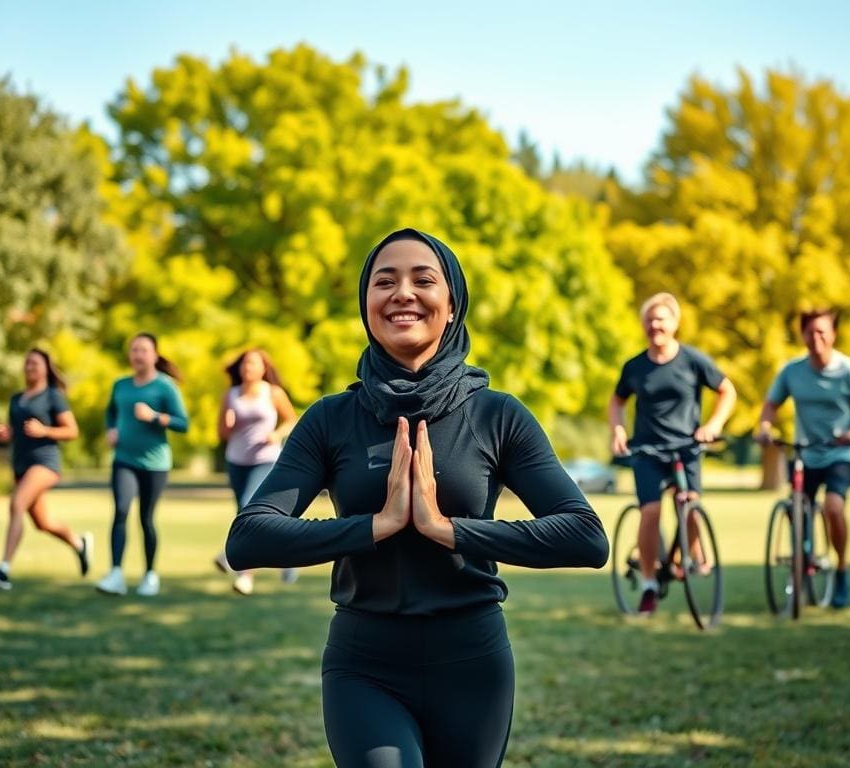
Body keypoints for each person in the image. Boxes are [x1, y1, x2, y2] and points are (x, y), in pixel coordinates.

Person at [224, 228, 608, 768]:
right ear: (367, 305)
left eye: (423, 280)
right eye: (385, 281)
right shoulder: (331, 419)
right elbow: (247, 538)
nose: (402, 292)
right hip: (364, 665)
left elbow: (586, 536)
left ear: (452, 305)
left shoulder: (497, 415)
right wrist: (374, 526)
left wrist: (446, 528)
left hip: (473, 662)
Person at [607, 292, 736, 616]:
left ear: (675, 324)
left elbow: (727, 390)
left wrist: (714, 424)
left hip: (687, 448)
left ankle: (687, 555)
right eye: (649, 320)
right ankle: (649, 582)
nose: (655, 325)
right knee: (650, 512)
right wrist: (619, 430)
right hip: (648, 450)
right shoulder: (635, 366)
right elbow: (617, 402)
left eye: (661, 319)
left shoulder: (693, 360)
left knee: (690, 505)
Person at [758, 309, 850, 609]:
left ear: (833, 334)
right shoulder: (792, 371)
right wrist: (764, 428)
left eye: (822, 332)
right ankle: (803, 559)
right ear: (802, 335)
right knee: (796, 509)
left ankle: (841, 568)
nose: (816, 338)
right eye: (810, 332)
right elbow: (770, 405)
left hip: (839, 453)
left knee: (833, 507)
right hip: (804, 451)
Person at [0, 349, 90, 591]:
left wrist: (46, 431)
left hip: (45, 463)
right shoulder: (16, 399)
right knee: (43, 523)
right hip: (21, 463)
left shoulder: (53, 396)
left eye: (35, 363)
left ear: (46, 368)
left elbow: (72, 431)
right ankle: (79, 543)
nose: (30, 367)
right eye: (27, 363)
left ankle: (3, 570)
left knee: (17, 503)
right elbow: (16, 432)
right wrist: (6, 434)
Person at [95, 333, 188, 597]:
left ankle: (149, 575)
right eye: (134, 350)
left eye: (143, 350)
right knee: (121, 510)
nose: (138, 355)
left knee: (146, 518)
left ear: (155, 355)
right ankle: (115, 574)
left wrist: (155, 416)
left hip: (155, 464)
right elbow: (111, 412)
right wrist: (111, 429)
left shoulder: (165, 386)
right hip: (124, 459)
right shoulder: (120, 385)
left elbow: (183, 424)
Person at [214, 348, 298, 595]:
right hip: (236, 460)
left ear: (263, 368)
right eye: (244, 363)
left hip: (265, 459)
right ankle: (288, 556)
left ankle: (242, 572)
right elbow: (221, 433)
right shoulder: (231, 395)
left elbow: (292, 419)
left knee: (247, 507)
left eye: (253, 363)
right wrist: (228, 424)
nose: (247, 367)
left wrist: (277, 434)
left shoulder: (272, 393)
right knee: (249, 514)